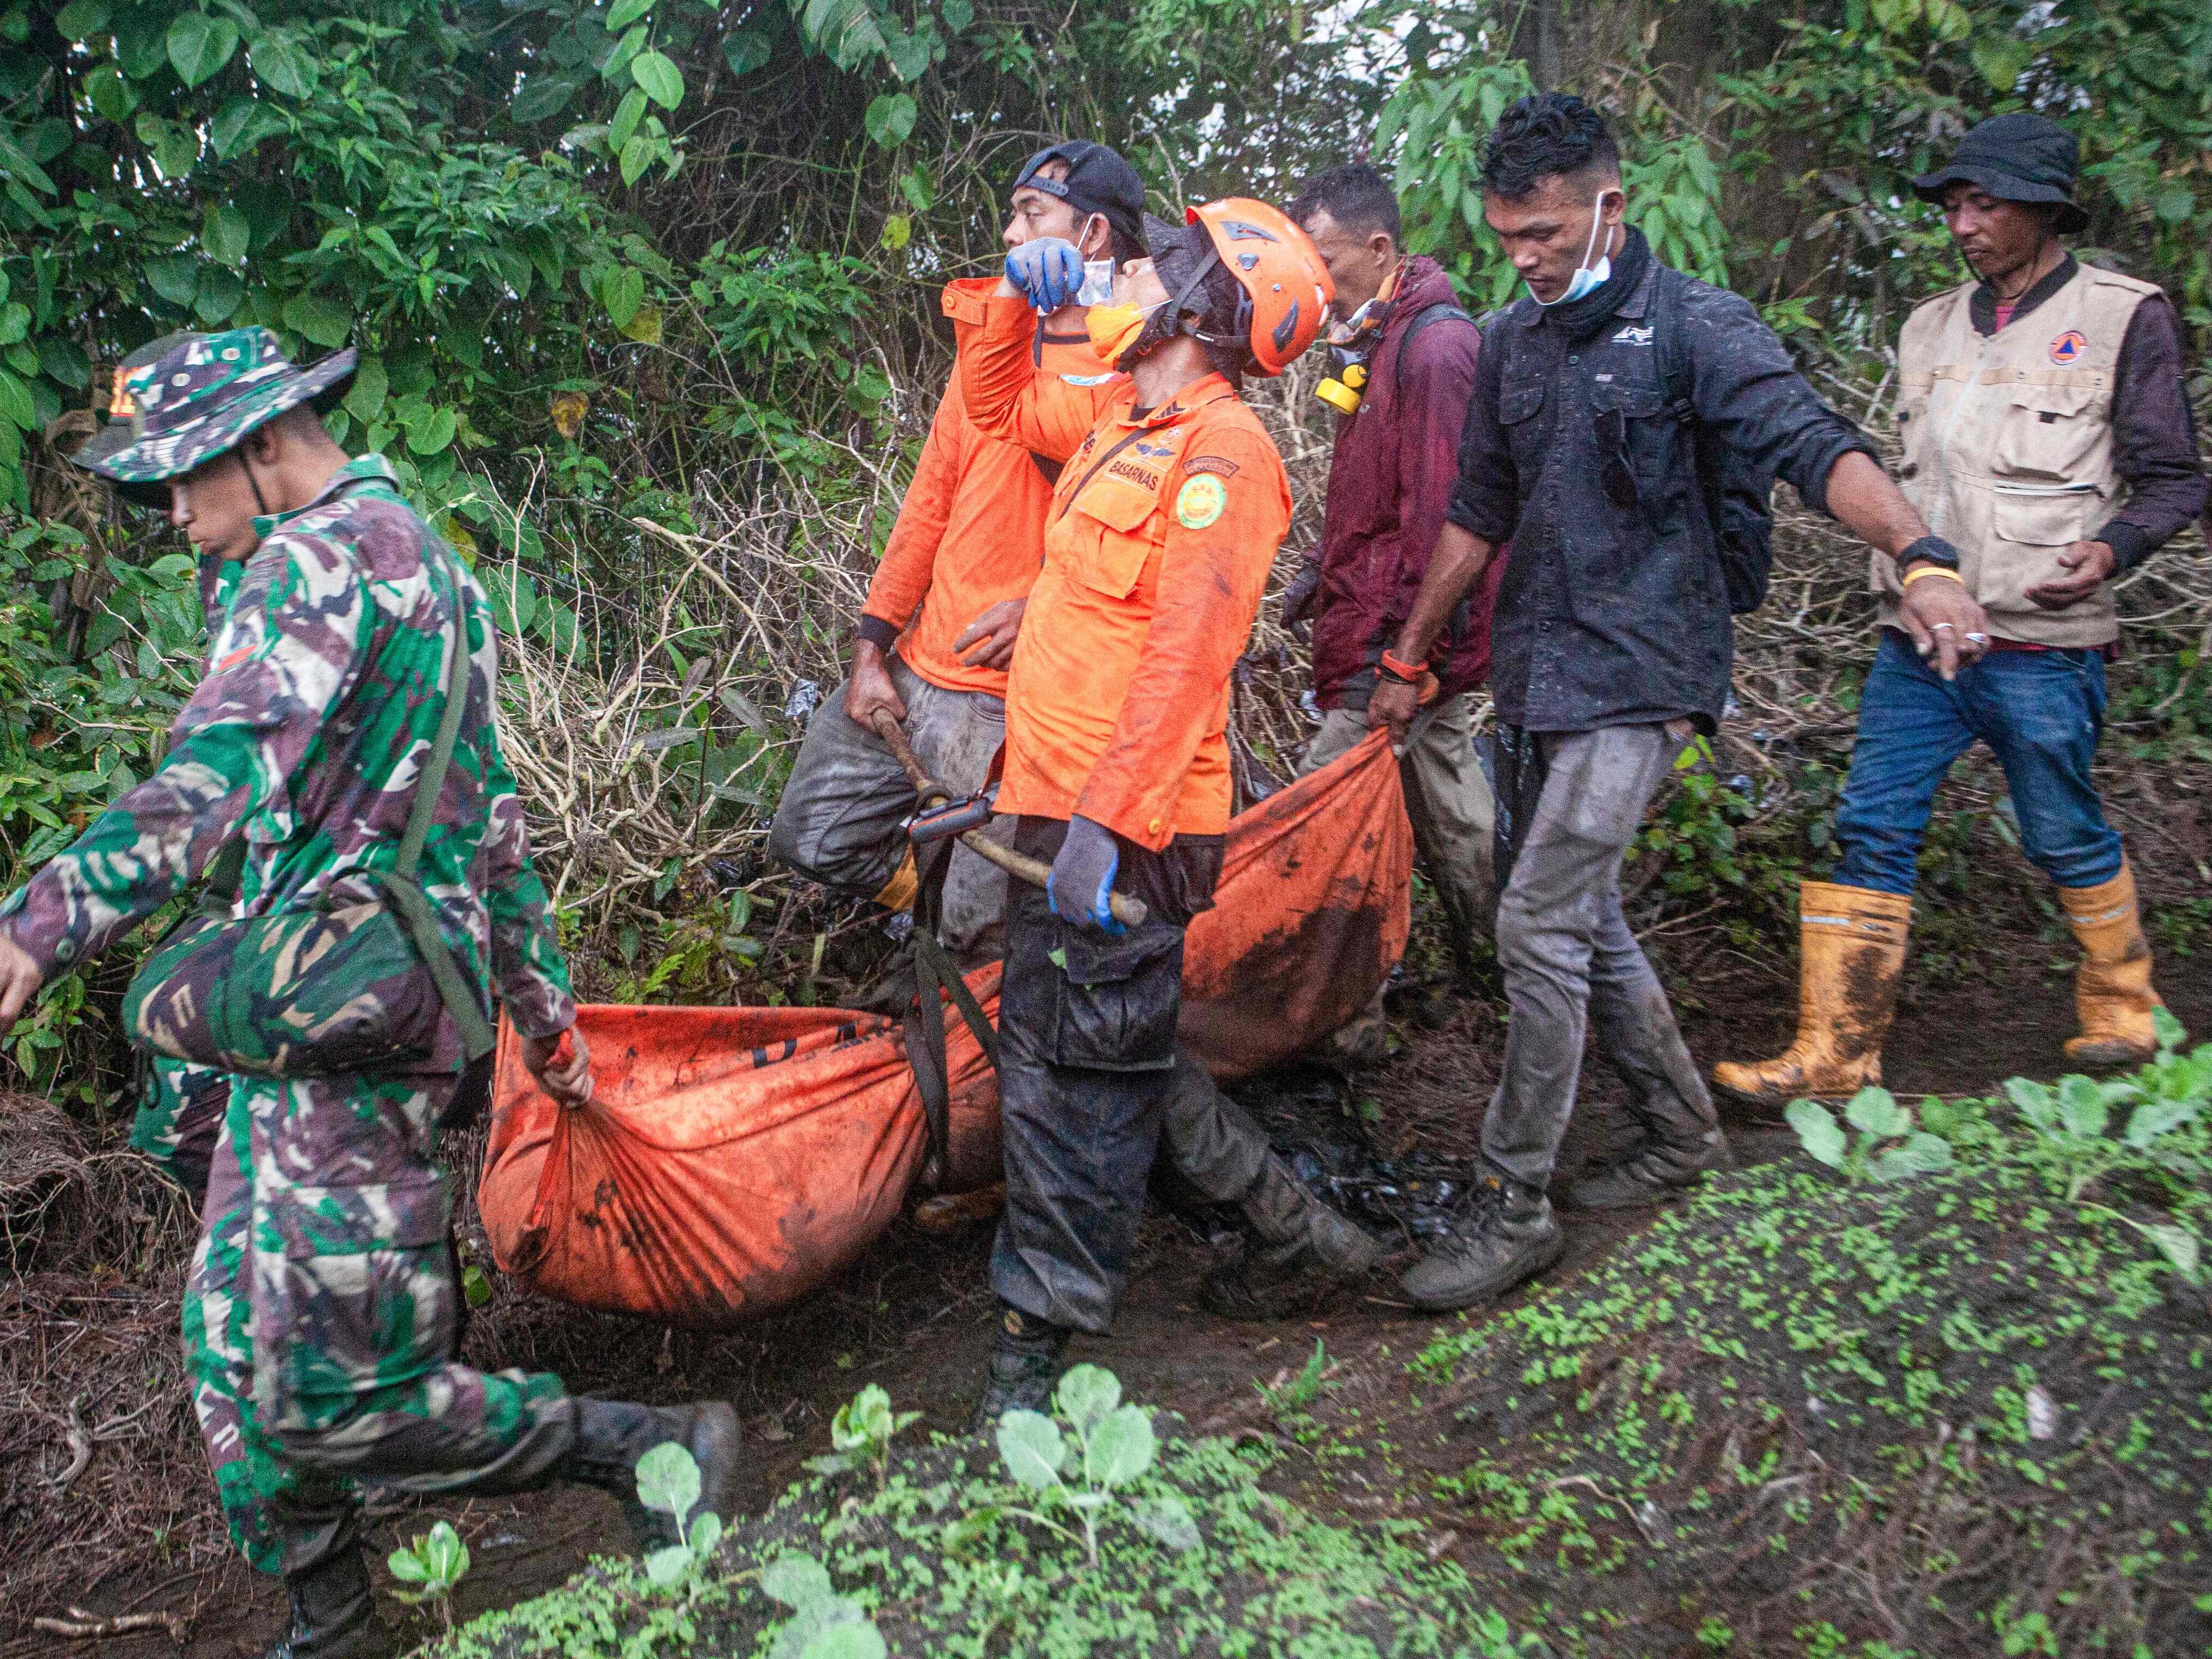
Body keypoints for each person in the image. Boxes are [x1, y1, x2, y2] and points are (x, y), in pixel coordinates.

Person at [0, 327, 741, 1659]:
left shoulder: (313, 563)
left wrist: (36, 927)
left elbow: (212, 778)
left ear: (267, 442)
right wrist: (547, 1018)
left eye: (183, 478)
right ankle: (333, 1616)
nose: (173, 515)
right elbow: (492, 827)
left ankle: (644, 1447)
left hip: (354, 1029)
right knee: (229, 1341)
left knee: (340, 1397)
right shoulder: (431, 570)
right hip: (314, 1021)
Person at [1368, 94, 1986, 1313]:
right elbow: (1476, 512)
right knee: (1579, 915)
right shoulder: (1509, 341)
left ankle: (1513, 1203)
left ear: (1610, 206)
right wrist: (1411, 653)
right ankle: (1679, 1135)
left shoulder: (1699, 328)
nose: (1526, 257)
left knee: (1535, 921)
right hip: (1540, 675)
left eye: (1544, 232)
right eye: (1506, 239)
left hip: (1646, 673)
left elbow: (1814, 445)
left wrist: (1921, 555)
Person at [1715, 115, 2207, 1104]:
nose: (1963, 225)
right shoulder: (1929, 325)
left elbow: (2173, 479)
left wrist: (2112, 551)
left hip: (2043, 641)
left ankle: (2121, 1006)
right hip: (1920, 636)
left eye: (1984, 205)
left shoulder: (2123, 317)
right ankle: (1837, 1056)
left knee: (2060, 828)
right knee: (1872, 822)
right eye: (1953, 206)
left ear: (2044, 209)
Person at [953, 197, 1334, 1419]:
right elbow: (1000, 405)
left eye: (1162, 264)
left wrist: (1104, 827)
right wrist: (1018, 291)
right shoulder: (1124, 414)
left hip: (1121, 826)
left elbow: (1184, 661)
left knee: (1072, 1086)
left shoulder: (1223, 456)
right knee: (1101, 1058)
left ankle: (1038, 1350)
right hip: (1053, 807)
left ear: (1207, 308)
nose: (1131, 272)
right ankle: (1293, 1232)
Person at [768, 142, 1147, 959]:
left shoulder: (1139, 381)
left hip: (1012, 704)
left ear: (1091, 237)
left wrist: (1045, 609)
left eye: (1031, 215)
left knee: (982, 934)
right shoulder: (991, 348)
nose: (1010, 234)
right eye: (1011, 214)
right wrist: (873, 646)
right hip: (918, 668)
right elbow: (929, 501)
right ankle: (920, 895)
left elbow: (1145, 555)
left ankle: (956, 1015)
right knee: (809, 835)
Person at [1285, 162, 1500, 965]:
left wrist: (1404, 663)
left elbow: (1448, 522)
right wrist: (1320, 566)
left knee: (1316, 817)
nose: (1317, 287)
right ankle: (1504, 961)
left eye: (1326, 267)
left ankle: (1336, 1003)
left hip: (1395, 643)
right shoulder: (1374, 344)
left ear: (1379, 250)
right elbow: (1376, 499)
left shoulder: (1437, 351)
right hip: (1380, 627)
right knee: (1449, 800)